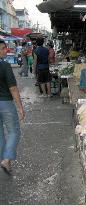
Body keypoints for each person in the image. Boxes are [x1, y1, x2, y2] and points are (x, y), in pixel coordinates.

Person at [0, 40, 25, 174]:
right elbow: (13, 88)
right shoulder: (4, 66)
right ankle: (7, 159)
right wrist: (20, 107)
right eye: (3, 48)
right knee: (14, 131)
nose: (6, 51)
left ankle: (3, 160)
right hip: (5, 103)